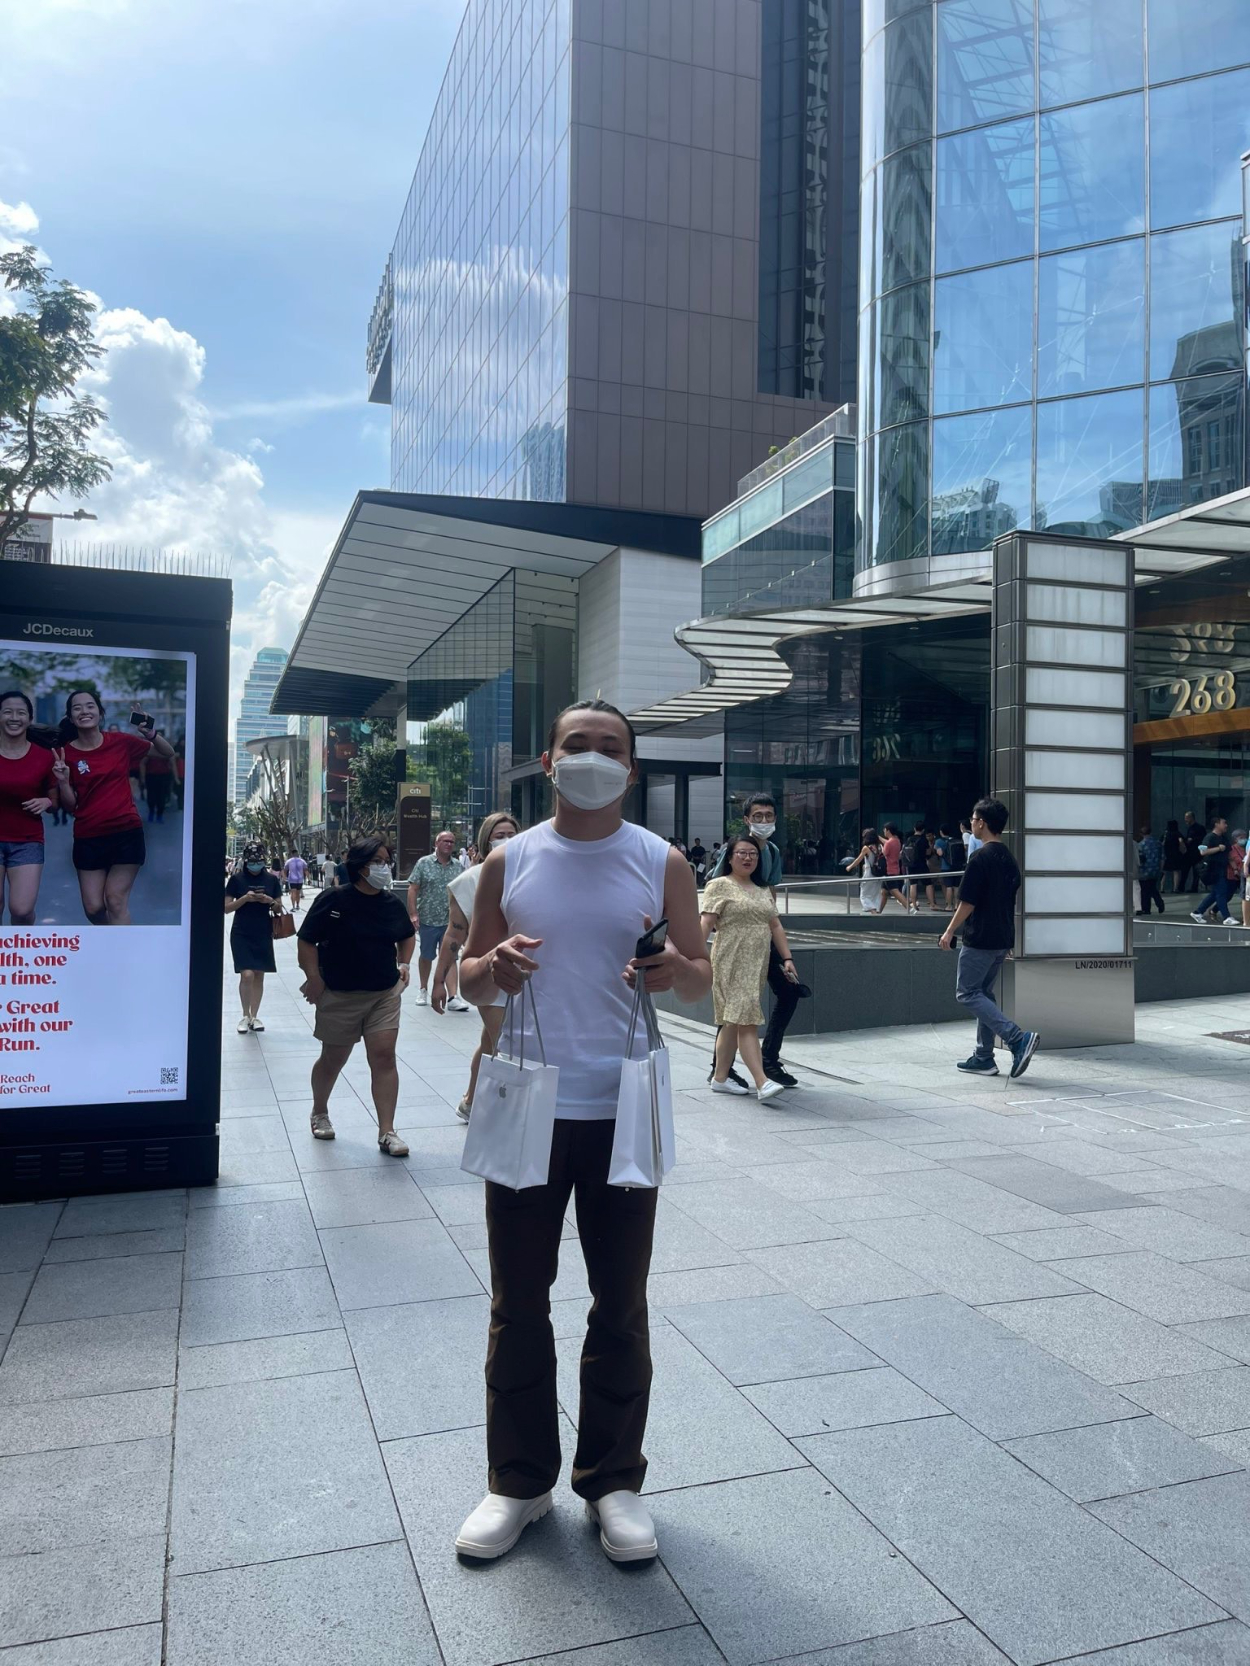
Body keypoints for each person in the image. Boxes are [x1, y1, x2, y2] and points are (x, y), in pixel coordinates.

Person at [454, 698, 711, 1565]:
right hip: (529, 1104)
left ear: (630, 769)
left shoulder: (660, 861)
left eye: (610, 747)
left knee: (621, 1302)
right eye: (578, 744)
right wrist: (491, 967)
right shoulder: (510, 859)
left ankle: (612, 1481)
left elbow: (700, 977)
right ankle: (519, 1481)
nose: (593, 757)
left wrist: (675, 969)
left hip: (622, 1109)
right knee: (517, 1301)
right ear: (548, 760)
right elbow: (469, 978)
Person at [297, 834, 415, 1154]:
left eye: (386, 861)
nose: (384, 867)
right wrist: (313, 978)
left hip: (384, 993)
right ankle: (319, 1111)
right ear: (361, 866)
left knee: (384, 1055)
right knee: (334, 1058)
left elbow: (407, 935)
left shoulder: (391, 904)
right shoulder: (333, 899)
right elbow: (306, 940)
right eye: (377, 861)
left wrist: (404, 963)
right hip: (340, 994)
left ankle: (387, 1131)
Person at [53, 690, 175, 925]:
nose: (84, 711)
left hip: (126, 832)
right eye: (77, 708)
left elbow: (166, 752)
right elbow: (70, 806)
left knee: (115, 900)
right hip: (89, 837)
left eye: (90, 706)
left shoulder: (121, 742)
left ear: (100, 713)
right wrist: (63, 782)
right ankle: (113, 938)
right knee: (94, 908)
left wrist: (149, 733)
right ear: (70, 717)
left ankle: (122, 947)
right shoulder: (65, 754)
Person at [939, 797, 1039, 1080]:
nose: (971, 823)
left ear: (982, 823)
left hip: (981, 937)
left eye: (973, 819)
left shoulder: (980, 858)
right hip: (1001, 938)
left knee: (967, 992)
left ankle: (1016, 1038)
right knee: (983, 993)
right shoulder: (1009, 859)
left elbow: (967, 902)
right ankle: (984, 1057)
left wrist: (949, 930)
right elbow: (1009, 902)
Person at [706, 794, 801, 1088]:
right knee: (737, 1008)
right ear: (747, 819)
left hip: (762, 938)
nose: (763, 821)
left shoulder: (771, 850)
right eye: (757, 816)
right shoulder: (735, 849)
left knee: (787, 992)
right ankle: (729, 1070)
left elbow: (769, 891)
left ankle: (764, 1058)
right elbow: (717, 889)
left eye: (769, 816)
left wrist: (783, 949)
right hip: (736, 943)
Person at [432, 811, 521, 1120]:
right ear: (486, 842)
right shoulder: (469, 880)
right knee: (508, 1046)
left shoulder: (535, 872)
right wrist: (439, 981)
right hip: (488, 976)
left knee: (489, 1043)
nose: (506, 840)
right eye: (500, 836)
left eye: (512, 835)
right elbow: (454, 935)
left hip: (529, 974)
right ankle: (507, 1115)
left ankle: (470, 1101)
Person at [0, 690, 57, 926]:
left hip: (27, 841)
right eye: (7, 712)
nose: (14, 718)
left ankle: (21, 944)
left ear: (29, 719)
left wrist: (47, 802)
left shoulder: (44, 757)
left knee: (22, 910)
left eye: (21, 713)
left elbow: (55, 802)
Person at [224, 840, 284, 1033]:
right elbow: (226, 908)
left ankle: (254, 1016)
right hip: (241, 931)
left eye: (258, 861)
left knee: (259, 974)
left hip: (263, 930)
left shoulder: (271, 880)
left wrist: (268, 900)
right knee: (247, 974)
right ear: (246, 861)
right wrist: (245, 898)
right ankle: (244, 1014)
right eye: (252, 861)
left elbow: (279, 908)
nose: (255, 864)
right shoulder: (236, 879)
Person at [407, 829, 466, 1008]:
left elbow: (463, 891)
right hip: (428, 919)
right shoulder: (423, 863)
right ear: (436, 843)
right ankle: (423, 989)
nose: (448, 844)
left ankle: (453, 996)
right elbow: (413, 889)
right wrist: (413, 913)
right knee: (426, 955)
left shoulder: (458, 866)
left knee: (451, 956)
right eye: (445, 841)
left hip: (451, 921)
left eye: (451, 842)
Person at [1191, 817, 1232, 924]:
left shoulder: (1224, 838)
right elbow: (1203, 852)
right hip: (1213, 869)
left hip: (1222, 868)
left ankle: (1198, 912)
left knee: (1215, 893)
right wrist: (1218, 848)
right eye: (1224, 823)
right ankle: (1226, 917)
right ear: (1216, 824)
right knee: (1221, 892)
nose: (1226, 825)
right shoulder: (1210, 837)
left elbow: (1229, 853)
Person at [845, 827, 885, 915]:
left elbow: (858, 860)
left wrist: (850, 867)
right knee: (875, 894)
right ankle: (876, 911)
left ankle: (873, 912)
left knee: (864, 894)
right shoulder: (880, 846)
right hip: (878, 873)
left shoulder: (866, 848)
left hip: (869, 873)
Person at [879, 822, 916, 915]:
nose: (884, 831)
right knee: (884, 892)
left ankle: (910, 909)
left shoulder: (889, 843)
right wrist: (880, 838)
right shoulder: (896, 841)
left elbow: (884, 853)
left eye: (885, 830)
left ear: (888, 831)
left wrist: (881, 847)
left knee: (894, 891)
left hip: (889, 870)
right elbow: (888, 843)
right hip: (895, 868)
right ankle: (879, 911)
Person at [904, 821, 935, 911]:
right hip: (922, 864)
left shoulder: (909, 839)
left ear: (914, 828)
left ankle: (914, 905)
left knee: (913, 884)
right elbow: (928, 852)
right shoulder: (923, 840)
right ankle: (932, 904)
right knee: (928, 884)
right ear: (923, 830)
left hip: (911, 865)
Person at [140, 743, 172, 824]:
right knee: (151, 796)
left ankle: (159, 814)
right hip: (151, 776)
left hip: (163, 776)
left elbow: (171, 762)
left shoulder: (165, 751)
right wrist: (143, 778)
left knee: (162, 796)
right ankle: (151, 812)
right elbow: (143, 763)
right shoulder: (150, 752)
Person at [1136, 826, 1164, 916]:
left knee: (1144, 891)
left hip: (1144, 870)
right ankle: (1159, 902)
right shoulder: (1158, 843)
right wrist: (1161, 869)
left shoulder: (1140, 845)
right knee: (1152, 887)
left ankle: (1146, 908)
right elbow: (1163, 857)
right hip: (1155, 869)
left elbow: (1139, 859)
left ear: (1141, 834)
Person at [933, 823, 959, 912]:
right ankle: (957, 905)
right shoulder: (955, 840)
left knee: (949, 886)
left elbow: (939, 853)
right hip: (956, 866)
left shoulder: (939, 841)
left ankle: (949, 906)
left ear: (941, 832)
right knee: (956, 886)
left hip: (946, 866)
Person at [1182, 810, 1206, 893]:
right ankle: (1181, 886)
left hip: (1196, 852)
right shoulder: (1189, 828)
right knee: (1185, 870)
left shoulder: (1199, 828)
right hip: (1189, 853)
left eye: (1187, 818)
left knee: (1196, 872)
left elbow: (1203, 839)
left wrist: (1193, 839)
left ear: (1191, 818)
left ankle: (1194, 887)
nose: (1185, 820)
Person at [1162, 819, 1185, 895]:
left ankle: (1162, 888)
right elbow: (1182, 842)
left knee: (1165, 872)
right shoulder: (1178, 834)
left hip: (1166, 855)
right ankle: (1175, 888)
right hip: (1176, 855)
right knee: (1176, 871)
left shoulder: (1165, 834)